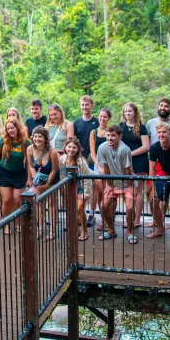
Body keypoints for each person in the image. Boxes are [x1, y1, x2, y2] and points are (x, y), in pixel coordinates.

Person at [97, 125, 136, 244]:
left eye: (113, 135)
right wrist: (108, 185)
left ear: (120, 137)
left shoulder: (124, 149)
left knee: (129, 208)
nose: (110, 138)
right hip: (113, 183)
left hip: (126, 182)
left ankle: (130, 232)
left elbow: (128, 170)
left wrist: (130, 186)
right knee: (104, 206)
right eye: (108, 135)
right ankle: (111, 230)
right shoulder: (102, 147)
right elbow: (106, 167)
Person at [0, 118, 31, 234]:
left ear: (17, 128)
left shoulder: (25, 142)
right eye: (8, 128)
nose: (10, 130)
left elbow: (29, 161)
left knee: (17, 200)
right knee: (6, 200)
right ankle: (6, 224)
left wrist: (29, 178)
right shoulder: (3, 140)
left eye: (12, 128)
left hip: (19, 173)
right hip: (4, 172)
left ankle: (17, 223)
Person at [119, 103, 149, 229]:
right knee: (128, 189)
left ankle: (137, 219)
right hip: (125, 162)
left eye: (130, 111)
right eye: (126, 112)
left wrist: (130, 154)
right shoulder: (121, 126)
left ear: (135, 112)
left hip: (139, 161)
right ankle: (128, 218)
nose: (127, 114)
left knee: (138, 190)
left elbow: (146, 146)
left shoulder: (142, 127)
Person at [27, 126, 60, 238]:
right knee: (39, 204)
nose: (37, 139)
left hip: (52, 179)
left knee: (51, 204)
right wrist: (36, 180)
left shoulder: (52, 152)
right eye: (35, 136)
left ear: (45, 138)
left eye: (40, 136)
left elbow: (54, 169)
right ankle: (40, 229)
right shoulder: (29, 149)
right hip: (38, 179)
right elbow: (31, 166)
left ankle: (52, 230)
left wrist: (47, 184)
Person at [59, 137, 93, 242]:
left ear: (78, 149)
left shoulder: (81, 162)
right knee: (71, 210)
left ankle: (85, 231)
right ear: (65, 147)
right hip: (69, 188)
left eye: (74, 147)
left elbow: (87, 179)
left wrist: (85, 194)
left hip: (82, 188)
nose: (71, 149)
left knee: (79, 209)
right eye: (69, 147)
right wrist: (63, 191)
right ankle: (76, 229)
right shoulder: (62, 160)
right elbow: (61, 176)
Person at [73, 95, 100, 226]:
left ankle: (91, 214)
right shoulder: (76, 122)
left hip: (94, 159)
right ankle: (80, 213)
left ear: (91, 105)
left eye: (87, 105)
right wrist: (79, 155)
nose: (84, 107)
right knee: (81, 187)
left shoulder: (97, 122)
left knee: (94, 186)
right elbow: (73, 141)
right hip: (80, 159)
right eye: (82, 105)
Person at [90, 108, 111, 231]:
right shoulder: (93, 132)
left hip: (110, 165)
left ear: (108, 118)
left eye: (105, 117)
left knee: (109, 193)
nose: (102, 119)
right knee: (99, 193)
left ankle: (109, 219)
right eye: (101, 116)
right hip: (98, 165)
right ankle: (102, 219)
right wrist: (98, 166)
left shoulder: (111, 131)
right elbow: (92, 152)